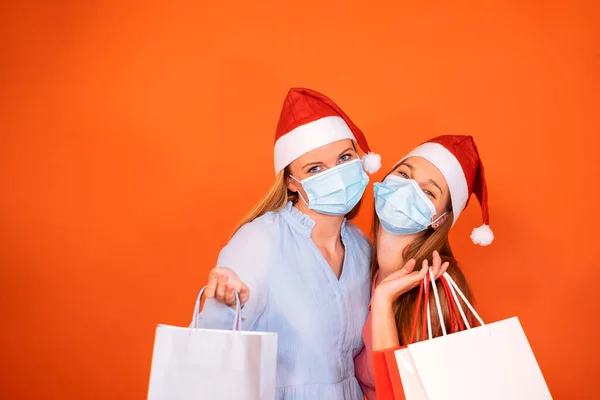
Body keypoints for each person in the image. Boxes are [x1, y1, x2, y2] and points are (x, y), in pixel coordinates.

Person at [195, 88, 382, 399]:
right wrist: (224, 306)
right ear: (292, 182)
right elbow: (211, 344)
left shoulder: (362, 250)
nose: (335, 174)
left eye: (345, 158)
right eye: (316, 168)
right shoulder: (260, 241)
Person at [354, 135, 494, 399]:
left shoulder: (437, 286)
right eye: (404, 174)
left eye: (429, 192)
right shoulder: (362, 265)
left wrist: (384, 300)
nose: (408, 189)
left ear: (440, 220)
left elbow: (397, 394)